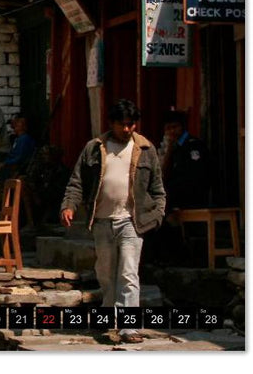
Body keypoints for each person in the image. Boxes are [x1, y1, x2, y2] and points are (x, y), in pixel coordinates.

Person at [60, 99, 166, 345]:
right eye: (122, 124)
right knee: (106, 273)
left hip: (132, 220)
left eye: (131, 124)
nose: (127, 129)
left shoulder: (146, 149)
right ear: (111, 123)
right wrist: (69, 205)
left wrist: (158, 213)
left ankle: (129, 328)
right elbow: (77, 182)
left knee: (129, 273)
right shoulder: (94, 148)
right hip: (102, 220)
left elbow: (158, 188)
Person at [0, 113, 36, 204]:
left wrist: (5, 163)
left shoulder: (25, 139)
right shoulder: (17, 139)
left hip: (16, 168)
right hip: (10, 165)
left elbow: (19, 158)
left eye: (18, 123)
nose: (15, 125)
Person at [160, 110, 209, 210]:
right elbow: (164, 175)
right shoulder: (171, 146)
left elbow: (196, 175)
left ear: (182, 127)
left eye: (175, 127)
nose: (172, 131)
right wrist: (169, 149)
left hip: (192, 193)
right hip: (176, 191)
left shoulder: (193, 145)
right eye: (168, 129)